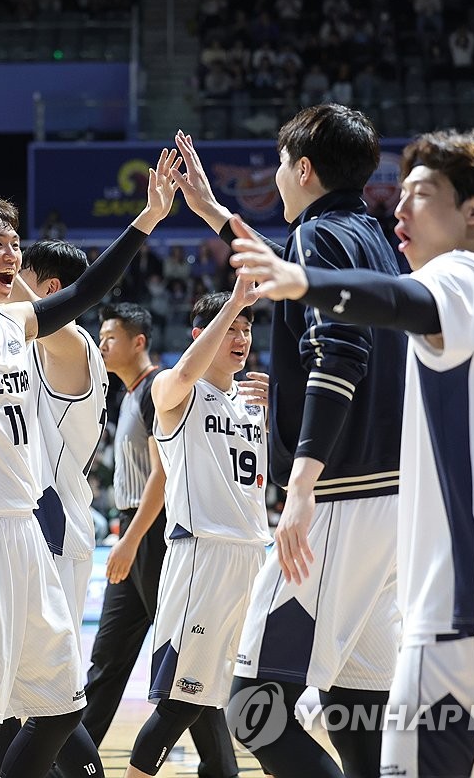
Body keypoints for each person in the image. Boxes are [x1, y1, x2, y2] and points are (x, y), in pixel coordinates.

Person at [230, 128, 474, 778]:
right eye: (397, 194)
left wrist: (304, 282)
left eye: (421, 195)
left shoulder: (466, 273)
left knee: (259, 709)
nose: (398, 210)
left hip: (461, 617)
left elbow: (405, 301)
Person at [0, 126, 177, 778]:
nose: (12, 252)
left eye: (16, 244)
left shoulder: (17, 323)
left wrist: (147, 218)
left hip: (27, 534)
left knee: (59, 706)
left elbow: (81, 294)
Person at [172, 105, 407, 778]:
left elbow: (340, 354)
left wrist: (301, 487)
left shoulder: (316, 238)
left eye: (279, 162)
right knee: (357, 707)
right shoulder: (372, 239)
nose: (274, 175)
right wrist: (216, 212)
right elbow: (292, 279)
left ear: (302, 169)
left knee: (252, 704)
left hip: (338, 497)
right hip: (390, 504)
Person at [0, 126, 107, 778]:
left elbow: (35, 307)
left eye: (22, 269)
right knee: (6, 702)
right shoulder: (5, 343)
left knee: (46, 702)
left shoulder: (71, 348)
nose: (9, 283)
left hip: (51, 531)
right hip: (15, 530)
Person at [84, 301, 238, 777]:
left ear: (139, 342)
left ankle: (218, 765)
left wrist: (130, 540)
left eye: (111, 337)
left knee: (183, 663)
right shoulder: (127, 394)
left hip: (155, 534)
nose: (103, 345)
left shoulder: (155, 389)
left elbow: (162, 474)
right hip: (137, 530)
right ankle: (72, 763)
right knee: (107, 662)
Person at [124, 279, 270, 778]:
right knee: (182, 700)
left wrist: (284, 408)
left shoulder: (255, 401)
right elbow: (184, 374)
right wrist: (234, 301)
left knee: (240, 696)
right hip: (202, 556)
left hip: (255, 554)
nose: (240, 337)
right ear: (199, 333)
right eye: (230, 327)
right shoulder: (172, 388)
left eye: (246, 329)